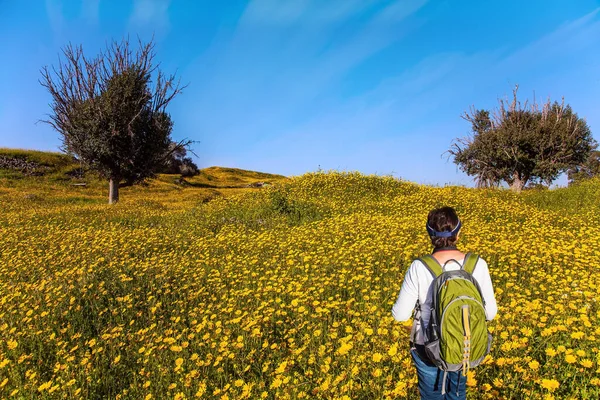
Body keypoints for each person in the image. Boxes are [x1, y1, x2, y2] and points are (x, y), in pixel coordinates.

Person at [391, 206, 497, 400]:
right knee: (457, 395)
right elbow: (490, 313)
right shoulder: (477, 264)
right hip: (465, 343)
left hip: (427, 348)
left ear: (429, 235)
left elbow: (400, 315)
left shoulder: (419, 266)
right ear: (458, 232)